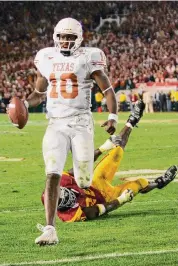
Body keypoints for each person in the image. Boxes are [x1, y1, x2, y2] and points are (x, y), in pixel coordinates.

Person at [24, 18, 118, 245]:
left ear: (79, 38)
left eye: (70, 37)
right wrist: (24, 106)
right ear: (56, 37)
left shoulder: (88, 57)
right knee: (52, 171)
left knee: (84, 179)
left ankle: (99, 158)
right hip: (55, 122)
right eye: (62, 37)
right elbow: (38, 94)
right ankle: (50, 229)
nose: (66, 41)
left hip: (80, 122)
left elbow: (107, 89)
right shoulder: (47, 58)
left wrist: (112, 116)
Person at [41, 100, 177, 223]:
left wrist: (102, 148)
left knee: (116, 151)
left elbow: (82, 166)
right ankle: (159, 183)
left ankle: (132, 120)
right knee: (139, 184)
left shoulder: (62, 181)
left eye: (64, 194)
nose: (69, 198)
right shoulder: (70, 215)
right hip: (107, 199)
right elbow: (98, 210)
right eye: (65, 200)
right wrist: (121, 200)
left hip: (95, 182)